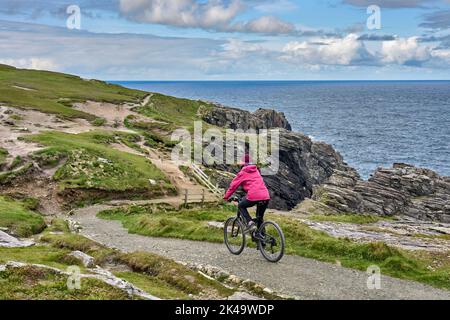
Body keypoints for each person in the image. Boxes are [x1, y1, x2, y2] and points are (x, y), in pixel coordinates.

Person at [223, 155, 270, 231]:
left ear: (242, 163)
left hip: (254, 196)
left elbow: (233, 186)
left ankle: (250, 222)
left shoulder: (243, 172)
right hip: (265, 196)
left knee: (241, 206)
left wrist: (226, 197)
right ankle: (262, 240)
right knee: (259, 218)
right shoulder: (256, 170)